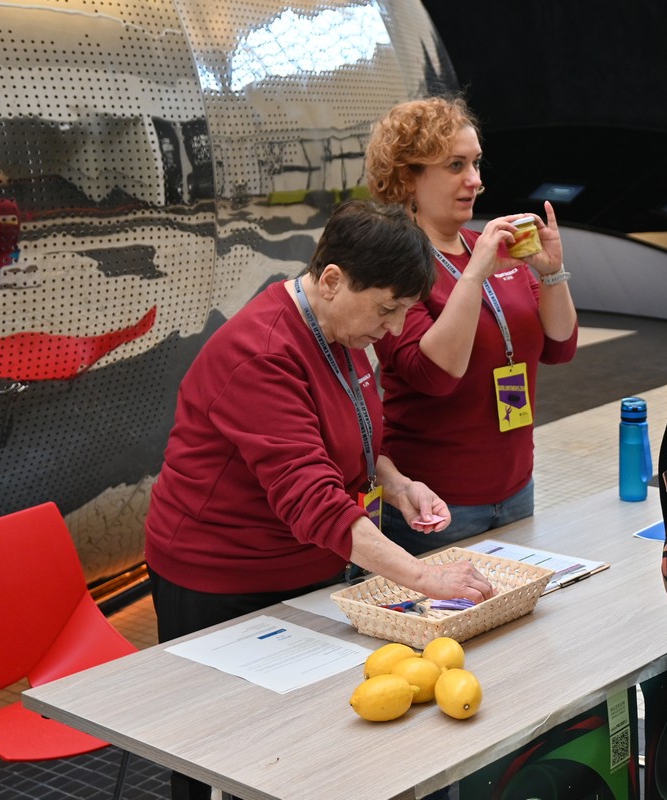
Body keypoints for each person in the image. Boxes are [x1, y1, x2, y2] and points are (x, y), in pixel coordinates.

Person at [144, 200, 495, 800]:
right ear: (332, 279)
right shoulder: (261, 352)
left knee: (299, 747)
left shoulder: (340, 327)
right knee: (219, 751)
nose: (393, 330)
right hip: (220, 580)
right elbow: (313, 499)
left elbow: (345, 434)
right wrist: (424, 577)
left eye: (402, 313)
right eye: (387, 310)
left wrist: (397, 482)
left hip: (304, 564)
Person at [364, 96, 578, 555]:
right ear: (409, 178)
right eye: (455, 165)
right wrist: (474, 276)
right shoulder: (394, 267)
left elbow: (560, 346)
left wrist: (552, 273)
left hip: (516, 488)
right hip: (435, 501)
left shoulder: (489, 248)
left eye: (476, 163)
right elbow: (435, 376)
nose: (475, 180)